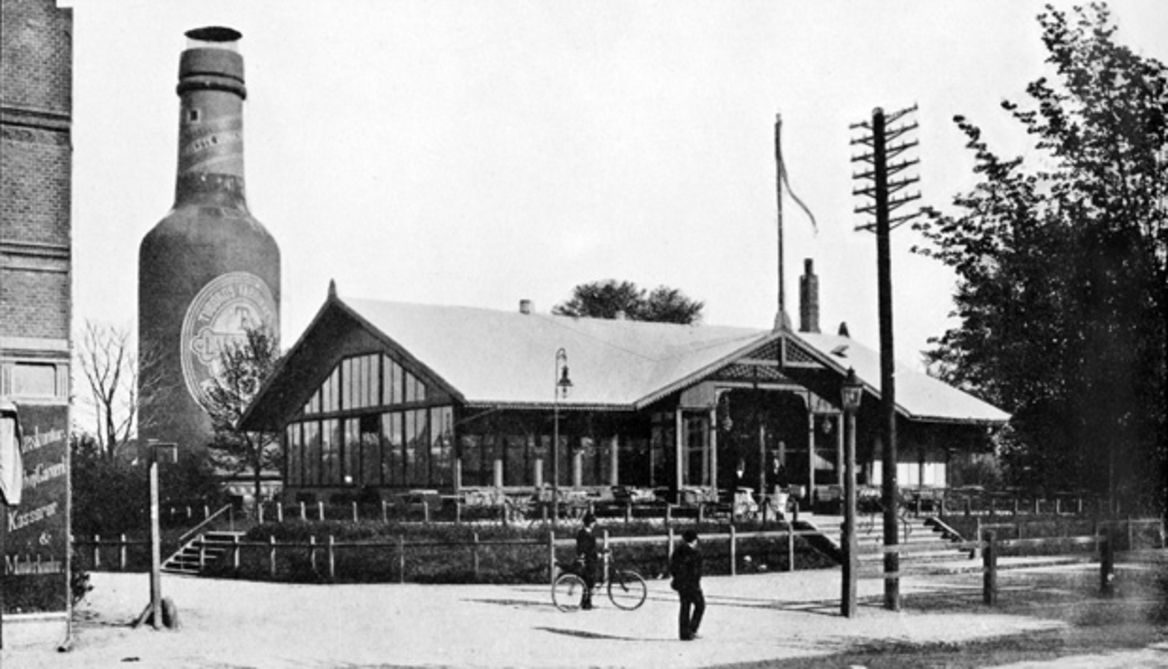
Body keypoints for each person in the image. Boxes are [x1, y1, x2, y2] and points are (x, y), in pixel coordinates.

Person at [670, 529, 705, 640]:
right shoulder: (695, 553)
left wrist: (677, 578)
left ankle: (684, 633)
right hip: (692, 584)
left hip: (681, 583)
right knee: (700, 605)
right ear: (694, 540)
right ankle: (692, 629)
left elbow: (672, 567)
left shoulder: (678, 551)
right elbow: (696, 571)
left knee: (685, 607)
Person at [575, 512, 600, 609]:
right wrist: (595, 554)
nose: (594, 524)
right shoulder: (583, 533)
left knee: (589, 580)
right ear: (589, 523)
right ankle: (586, 603)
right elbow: (584, 547)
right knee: (589, 580)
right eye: (593, 522)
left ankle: (586, 602)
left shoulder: (588, 532)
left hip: (591, 558)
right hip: (587, 559)